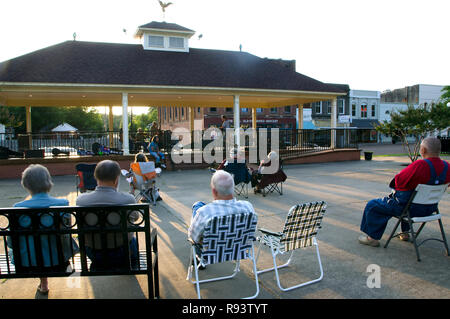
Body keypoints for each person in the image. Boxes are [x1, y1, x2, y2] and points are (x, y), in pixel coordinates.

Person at [359, 137, 450, 247]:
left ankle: (372, 238)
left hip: (409, 209)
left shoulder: (419, 165)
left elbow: (399, 181)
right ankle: (405, 233)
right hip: (430, 209)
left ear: (423, 150)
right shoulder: (447, 167)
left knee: (373, 205)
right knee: (410, 198)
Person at [9, 164, 76, 295]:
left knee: (33, 245)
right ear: (48, 182)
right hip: (57, 262)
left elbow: (11, 242)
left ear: (26, 184)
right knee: (51, 242)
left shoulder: (17, 208)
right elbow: (66, 233)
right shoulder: (62, 204)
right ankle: (46, 282)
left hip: (27, 263)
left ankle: (43, 283)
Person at [76, 160, 139, 270]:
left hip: (94, 252)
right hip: (122, 250)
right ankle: (132, 264)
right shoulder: (128, 199)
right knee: (132, 239)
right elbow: (136, 217)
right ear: (116, 179)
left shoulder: (81, 200)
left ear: (96, 178)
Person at [188, 170, 257, 269]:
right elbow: (251, 232)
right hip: (238, 249)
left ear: (214, 191)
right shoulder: (248, 207)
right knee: (199, 207)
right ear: (233, 188)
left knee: (198, 206)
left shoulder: (205, 212)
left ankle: (198, 258)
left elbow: (193, 237)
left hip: (211, 252)